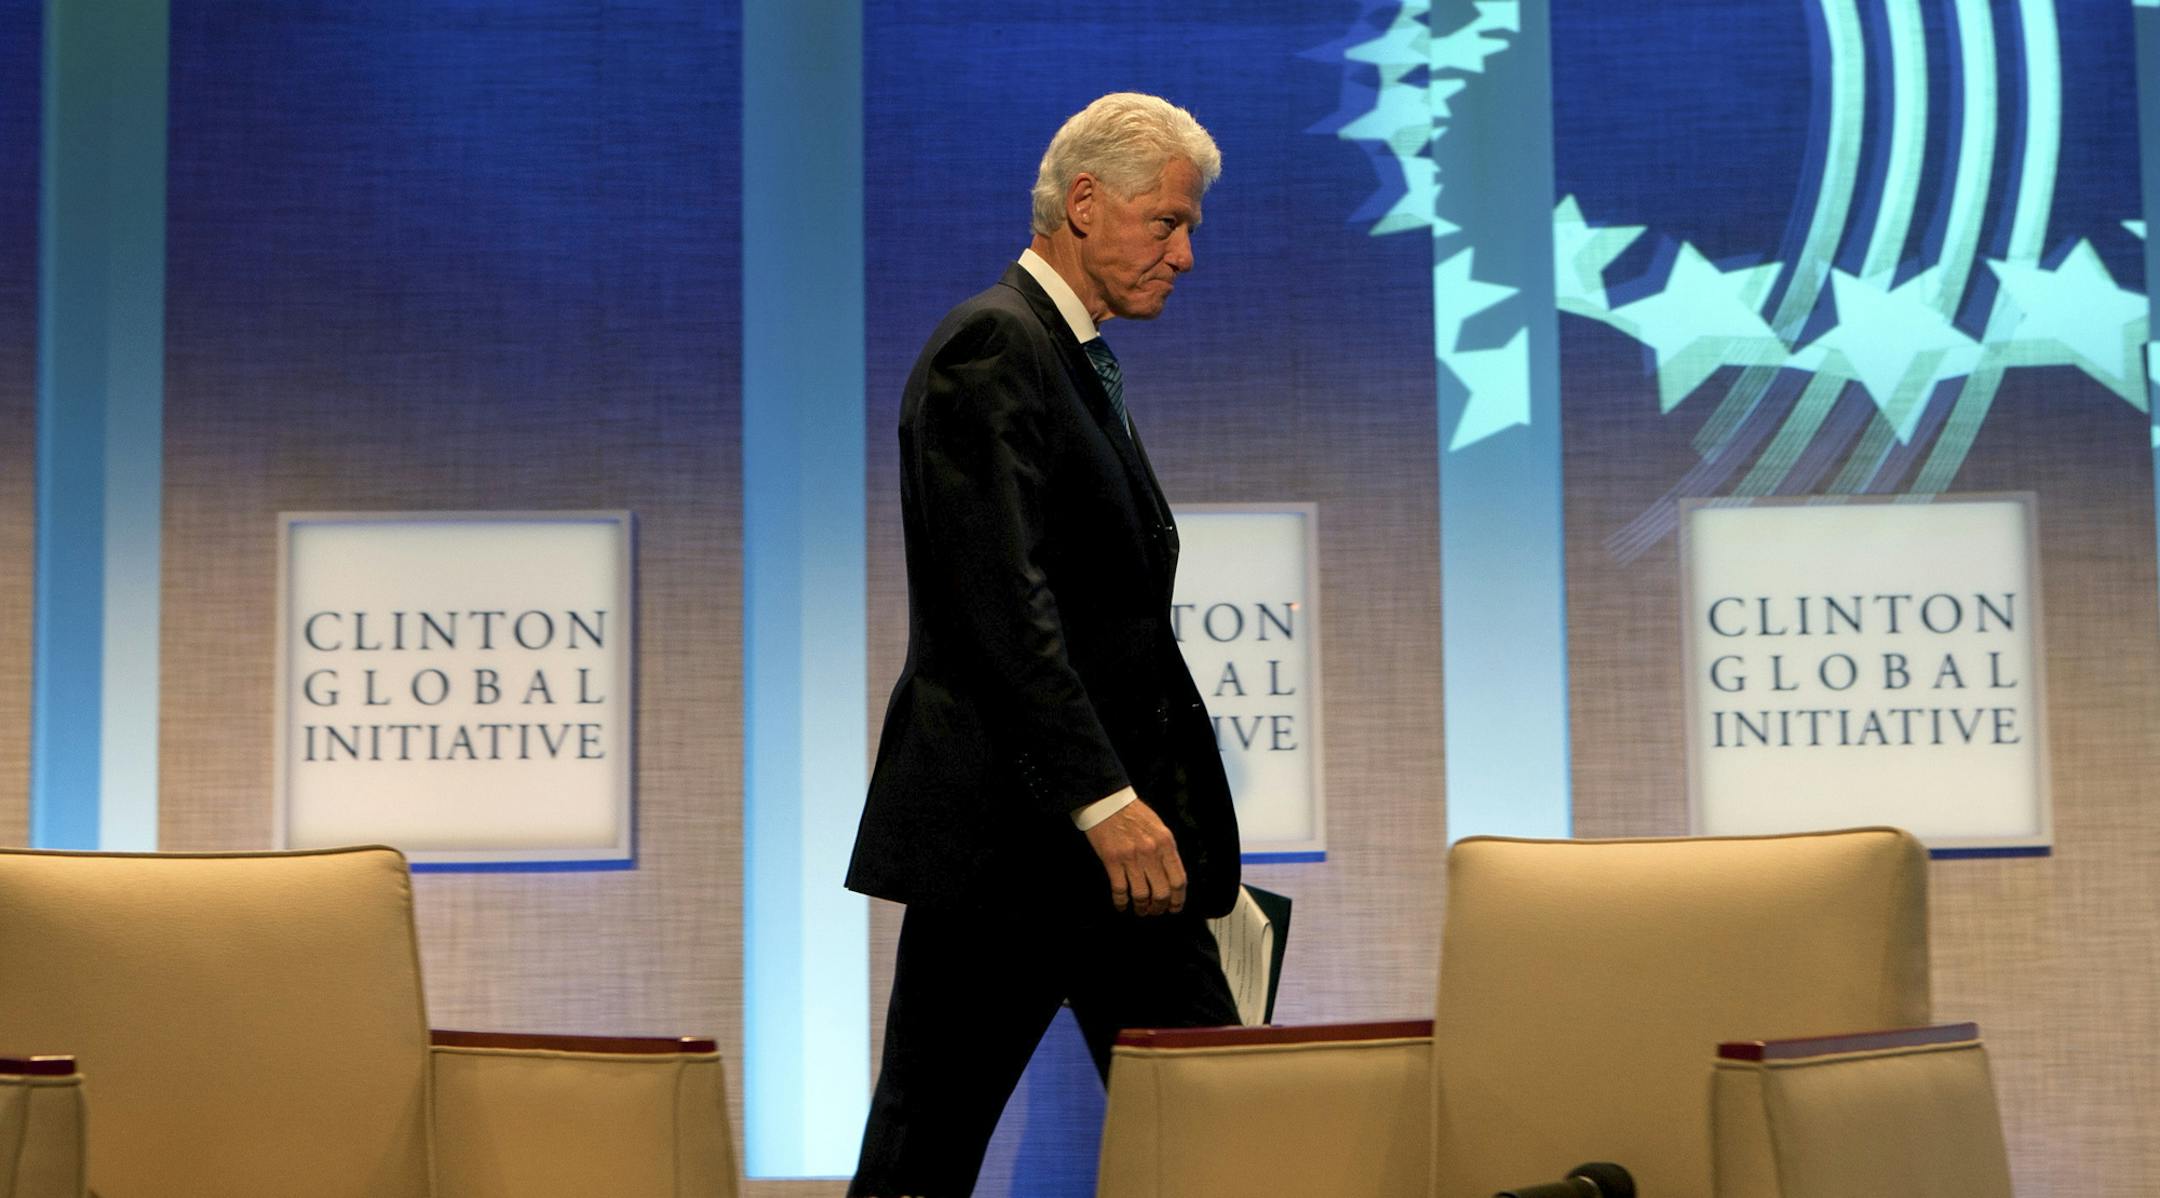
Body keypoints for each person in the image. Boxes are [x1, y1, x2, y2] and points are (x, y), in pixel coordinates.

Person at [844, 92, 1242, 1197]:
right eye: (1168, 223)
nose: (1186, 255)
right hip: (1017, 848)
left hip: (1118, 854)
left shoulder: (1064, 356)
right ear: (1082, 203)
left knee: (1227, 1126)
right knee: (923, 1155)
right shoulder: (995, 344)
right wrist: (1102, 800)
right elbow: (999, 606)